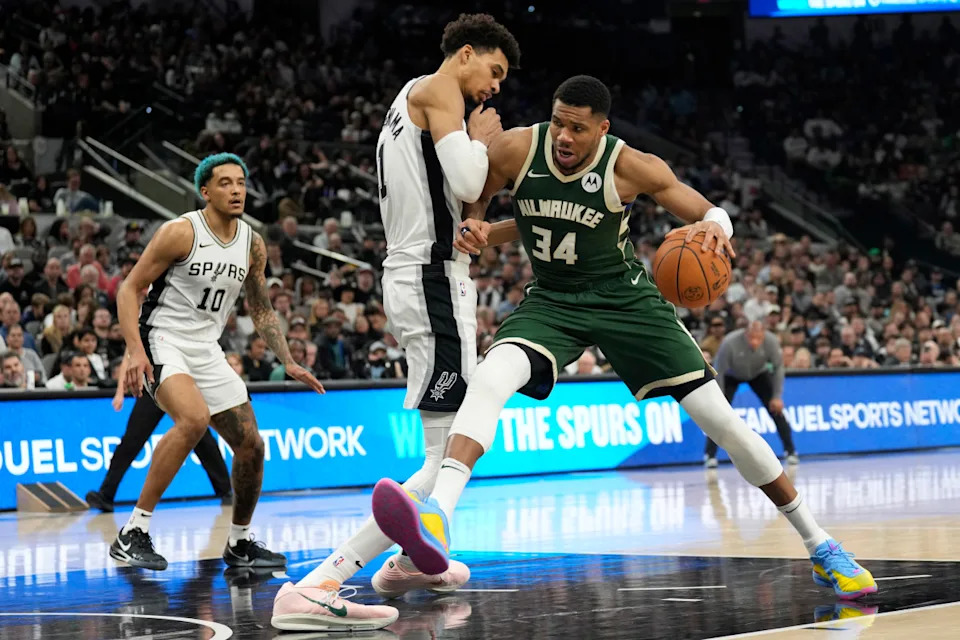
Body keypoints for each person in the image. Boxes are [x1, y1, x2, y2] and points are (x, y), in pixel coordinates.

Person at [370, 75, 876, 602]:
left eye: (578, 128)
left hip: (625, 299)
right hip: (553, 298)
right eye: (559, 122)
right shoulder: (518, 147)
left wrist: (716, 228)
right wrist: (477, 225)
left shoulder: (630, 165)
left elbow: (709, 211)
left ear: (602, 129)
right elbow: (481, 197)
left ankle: (821, 546)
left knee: (722, 421)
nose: (564, 136)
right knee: (491, 375)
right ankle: (440, 517)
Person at [271, 13, 520, 632]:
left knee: (446, 451)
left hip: (420, 278)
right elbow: (467, 178)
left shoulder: (411, 97)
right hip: (430, 282)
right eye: (493, 72)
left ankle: (412, 562)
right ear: (467, 55)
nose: (493, 89)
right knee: (443, 459)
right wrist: (482, 138)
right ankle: (320, 582)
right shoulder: (440, 91)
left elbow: (458, 197)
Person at [110, 152, 325, 571]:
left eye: (241, 182)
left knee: (251, 446)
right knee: (192, 419)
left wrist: (289, 360)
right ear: (205, 191)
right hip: (163, 339)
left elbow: (261, 309)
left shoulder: (252, 242)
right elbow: (129, 288)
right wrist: (135, 351)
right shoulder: (180, 232)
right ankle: (132, 532)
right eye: (225, 183)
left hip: (207, 348)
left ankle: (240, 542)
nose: (236, 190)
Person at [86, 354, 232, 513]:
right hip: (153, 383)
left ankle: (226, 491)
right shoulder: (141, 330)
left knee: (199, 434)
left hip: (178, 381)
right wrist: (120, 390)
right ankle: (106, 494)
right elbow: (130, 353)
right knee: (132, 440)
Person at [704, 321, 798, 468]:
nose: (755, 342)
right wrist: (719, 397)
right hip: (730, 375)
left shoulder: (771, 341)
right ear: (746, 334)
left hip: (758, 374)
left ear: (764, 336)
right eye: (752, 338)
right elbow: (719, 370)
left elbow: (779, 368)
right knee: (720, 414)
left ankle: (790, 451)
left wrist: (777, 396)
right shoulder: (730, 342)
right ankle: (710, 455)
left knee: (776, 410)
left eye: (759, 338)